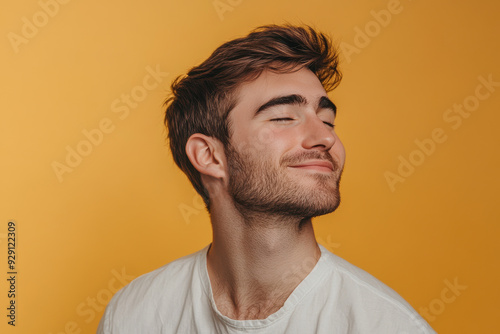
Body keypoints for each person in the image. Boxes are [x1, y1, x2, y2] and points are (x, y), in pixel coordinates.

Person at [97, 24, 435, 333]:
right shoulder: (133, 315)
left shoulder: (386, 324)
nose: (326, 138)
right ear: (210, 156)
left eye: (327, 120)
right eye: (285, 117)